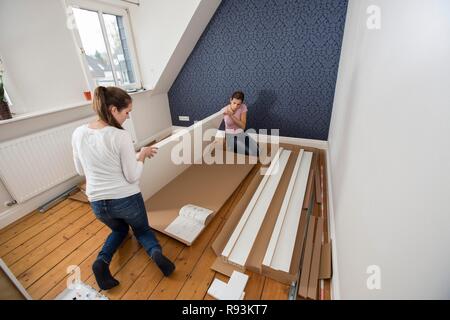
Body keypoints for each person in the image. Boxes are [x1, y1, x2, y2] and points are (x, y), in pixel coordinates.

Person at [71, 86, 175, 290]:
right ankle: (156, 253)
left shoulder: (78, 133)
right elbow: (132, 175)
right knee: (142, 230)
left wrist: (132, 157)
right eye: (127, 112)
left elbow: (80, 169)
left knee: (119, 230)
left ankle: (101, 262)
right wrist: (142, 156)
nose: (128, 117)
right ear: (113, 110)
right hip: (126, 199)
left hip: (98, 204)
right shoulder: (120, 135)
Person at [222, 91, 259, 156]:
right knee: (252, 153)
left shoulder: (243, 107)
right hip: (230, 137)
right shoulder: (224, 110)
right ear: (230, 100)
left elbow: (243, 126)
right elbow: (225, 126)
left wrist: (231, 115)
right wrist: (225, 141)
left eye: (238, 104)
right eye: (234, 103)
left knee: (258, 151)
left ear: (241, 103)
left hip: (241, 134)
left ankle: (237, 149)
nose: (236, 106)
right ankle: (234, 148)